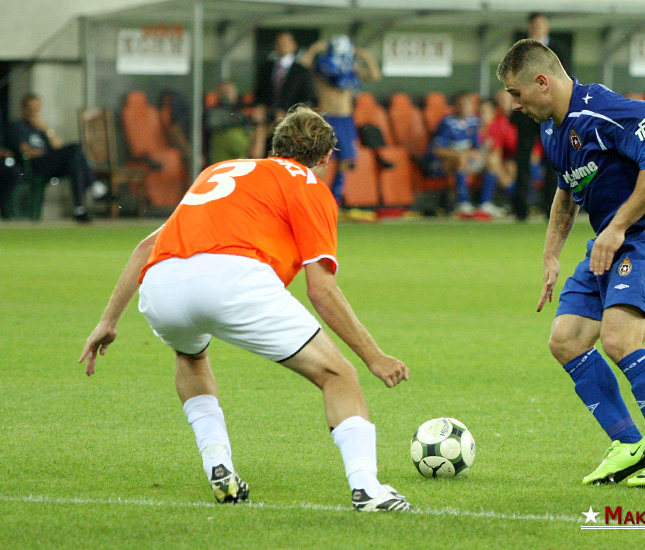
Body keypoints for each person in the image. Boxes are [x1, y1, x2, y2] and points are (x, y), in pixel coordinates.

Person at [79, 106, 412, 512]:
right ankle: (367, 489)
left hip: (161, 284)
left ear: (275, 146)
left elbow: (147, 246)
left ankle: (219, 465)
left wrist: (108, 321)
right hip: (233, 277)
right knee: (338, 374)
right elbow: (322, 290)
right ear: (326, 157)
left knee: (191, 356)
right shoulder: (307, 183)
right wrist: (374, 356)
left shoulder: (220, 170)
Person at [497, 39, 645, 487]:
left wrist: (617, 227)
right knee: (566, 340)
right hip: (609, 241)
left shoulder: (606, 112)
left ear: (542, 82)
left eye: (516, 93)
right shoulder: (553, 131)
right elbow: (566, 192)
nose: (515, 104)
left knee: (619, 339)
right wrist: (551, 254)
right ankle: (628, 445)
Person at [300, 35, 381, 204]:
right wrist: (314, 49)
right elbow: (302, 66)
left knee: (346, 159)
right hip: (325, 117)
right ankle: (310, 196)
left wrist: (366, 56)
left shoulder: (351, 69)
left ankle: (334, 198)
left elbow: (375, 76)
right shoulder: (321, 68)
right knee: (318, 159)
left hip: (345, 118)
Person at [510, 13, 569, 221]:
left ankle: (549, 208)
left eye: (541, 24)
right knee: (523, 160)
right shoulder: (519, 48)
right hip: (526, 112)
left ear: (547, 27)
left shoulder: (558, 49)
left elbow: (563, 78)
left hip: (549, 112)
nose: (537, 28)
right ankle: (520, 209)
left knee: (552, 160)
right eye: (534, 24)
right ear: (529, 27)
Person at [9, 93, 99, 222]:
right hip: (34, 165)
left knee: (75, 163)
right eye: (30, 108)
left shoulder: (40, 128)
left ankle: (79, 208)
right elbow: (24, 149)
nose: (34, 112)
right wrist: (41, 153)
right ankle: (93, 183)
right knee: (75, 148)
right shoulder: (17, 126)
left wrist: (46, 129)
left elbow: (58, 146)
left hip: (50, 163)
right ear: (23, 108)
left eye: (36, 108)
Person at [426, 92, 501, 219]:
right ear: (455, 106)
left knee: (492, 161)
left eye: (468, 104)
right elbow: (438, 151)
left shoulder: (474, 122)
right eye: (461, 104)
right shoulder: (447, 123)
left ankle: (485, 204)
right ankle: (463, 203)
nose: (465, 107)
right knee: (461, 159)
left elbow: (476, 148)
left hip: (467, 160)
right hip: (441, 164)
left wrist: (484, 148)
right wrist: (463, 154)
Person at [254, 31, 317, 122]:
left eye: (286, 43)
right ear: (275, 46)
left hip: (292, 117)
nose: (283, 45)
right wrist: (260, 107)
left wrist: (289, 112)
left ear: (294, 45)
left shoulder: (301, 71)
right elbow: (259, 92)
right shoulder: (266, 68)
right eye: (279, 43)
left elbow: (307, 97)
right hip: (267, 117)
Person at [205, 80, 254, 165]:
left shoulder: (241, 109)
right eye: (224, 91)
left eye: (231, 91)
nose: (227, 95)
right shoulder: (214, 113)